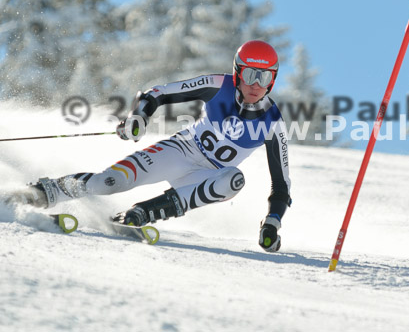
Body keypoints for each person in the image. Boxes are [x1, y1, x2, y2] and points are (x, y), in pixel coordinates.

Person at [16, 40, 291, 252]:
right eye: (250, 75)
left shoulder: (273, 123)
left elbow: (281, 187)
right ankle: (45, 191)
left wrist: (272, 222)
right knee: (109, 182)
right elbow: (158, 93)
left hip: (206, 176)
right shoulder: (219, 85)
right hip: (181, 150)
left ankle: (145, 212)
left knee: (233, 180)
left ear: (273, 80)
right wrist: (140, 115)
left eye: (264, 77)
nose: (256, 84)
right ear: (237, 73)